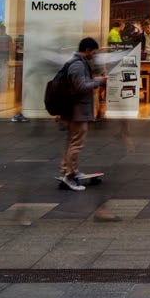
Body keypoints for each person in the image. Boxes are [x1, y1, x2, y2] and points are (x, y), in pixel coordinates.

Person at [58, 37, 108, 191]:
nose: (94, 55)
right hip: (77, 111)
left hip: (73, 110)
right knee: (76, 143)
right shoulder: (78, 65)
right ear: (87, 50)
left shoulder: (75, 63)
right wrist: (99, 81)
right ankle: (69, 176)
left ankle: (68, 170)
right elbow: (81, 87)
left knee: (71, 142)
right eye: (93, 52)